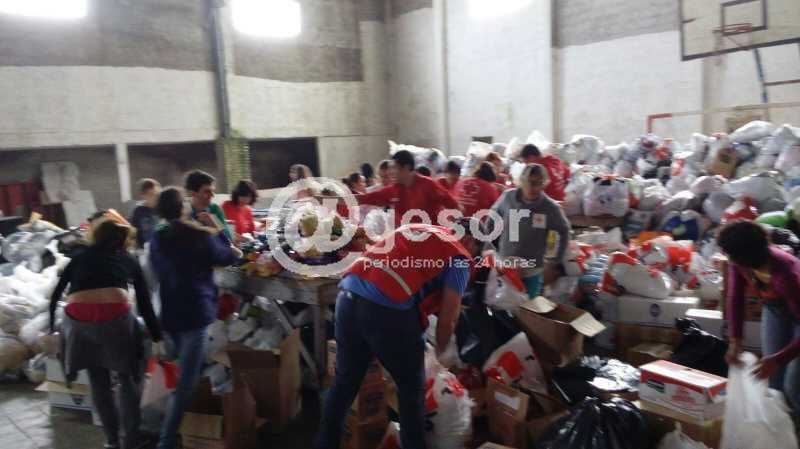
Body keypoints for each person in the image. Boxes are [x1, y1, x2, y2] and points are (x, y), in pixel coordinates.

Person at [315, 220, 482, 449]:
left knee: (345, 382)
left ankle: (324, 444)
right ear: (470, 242)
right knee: (411, 392)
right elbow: (448, 319)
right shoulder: (459, 257)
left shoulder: (418, 228)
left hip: (347, 296)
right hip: (386, 309)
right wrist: (442, 356)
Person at [50, 216, 161, 449]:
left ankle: (112, 441)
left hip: (78, 320)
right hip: (115, 319)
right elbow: (144, 302)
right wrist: (157, 335)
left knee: (98, 381)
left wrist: (53, 326)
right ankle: (131, 441)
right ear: (123, 240)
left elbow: (57, 294)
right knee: (127, 378)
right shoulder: (128, 259)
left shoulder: (80, 257)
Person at [149, 187, 242, 449]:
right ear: (184, 207)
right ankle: (167, 441)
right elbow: (230, 257)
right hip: (195, 314)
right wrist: (218, 229)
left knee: (182, 373)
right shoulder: (198, 235)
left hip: (169, 314)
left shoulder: (157, 237)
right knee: (186, 384)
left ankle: (186, 427)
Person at [718, 220, 800, 411]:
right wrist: (735, 341)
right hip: (775, 309)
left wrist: (778, 359)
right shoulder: (740, 263)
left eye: (730, 256)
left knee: (793, 387)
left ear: (745, 256)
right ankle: (781, 424)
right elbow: (736, 298)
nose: (729, 260)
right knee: (774, 382)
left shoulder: (787, 274)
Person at [486, 163, 571, 298]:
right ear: (521, 181)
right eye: (529, 182)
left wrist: (555, 259)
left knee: (529, 305)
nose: (533, 187)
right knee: (501, 303)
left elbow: (564, 231)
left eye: (538, 183)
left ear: (544, 184)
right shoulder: (508, 198)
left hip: (532, 269)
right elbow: (491, 219)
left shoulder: (550, 208)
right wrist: (490, 246)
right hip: (505, 265)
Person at [355, 150, 459, 226]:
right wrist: (346, 198)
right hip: (405, 238)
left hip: (430, 238)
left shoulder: (428, 185)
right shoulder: (394, 189)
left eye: (394, 168)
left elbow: (454, 206)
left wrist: (456, 230)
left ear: (406, 168)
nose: (390, 172)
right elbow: (367, 198)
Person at [184, 170, 233, 240]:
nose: (212, 195)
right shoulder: (182, 211)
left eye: (213, 191)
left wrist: (214, 224)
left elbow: (229, 239)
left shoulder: (215, 209)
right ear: (193, 193)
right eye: (207, 191)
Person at [129, 178, 161, 249]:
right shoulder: (138, 211)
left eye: (157, 194)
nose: (155, 197)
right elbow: (134, 233)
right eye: (151, 194)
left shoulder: (163, 209)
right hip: (145, 250)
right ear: (143, 195)